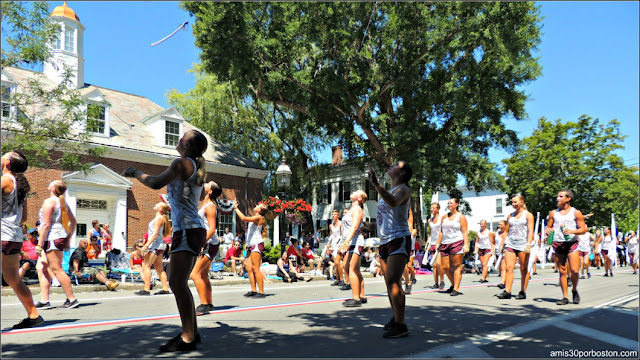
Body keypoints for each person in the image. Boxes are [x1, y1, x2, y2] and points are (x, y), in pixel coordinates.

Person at [123, 129, 209, 351]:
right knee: (177, 281)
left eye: (183, 137)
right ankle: (192, 333)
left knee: (177, 282)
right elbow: (188, 197)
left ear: (188, 145)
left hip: (189, 229)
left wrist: (134, 171)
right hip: (189, 229)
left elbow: (154, 182)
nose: (179, 139)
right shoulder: (193, 167)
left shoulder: (181, 164)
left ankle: (188, 337)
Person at [369, 161, 413, 338]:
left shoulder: (403, 189)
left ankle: (401, 325)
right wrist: (368, 226)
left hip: (399, 238)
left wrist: (376, 184)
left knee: (394, 281)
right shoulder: (388, 191)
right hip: (385, 240)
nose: (391, 165)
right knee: (389, 282)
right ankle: (396, 318)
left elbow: (393, 203)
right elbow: (385, 217)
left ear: (402, 173)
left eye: (396, 165)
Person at [2, 151, 44, 329]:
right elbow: (24, 217)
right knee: (13, 279)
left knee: (12, 278)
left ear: (8, 162)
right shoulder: (20, 186)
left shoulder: (4, 180)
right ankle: (34, 315)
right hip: (14, 235)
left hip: (2, 234)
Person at [36, 179, 80, 310]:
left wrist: (39, 244)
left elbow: (46, 224)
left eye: (52, 183)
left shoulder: (49, 202)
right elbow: (74, 222)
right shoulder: (62, 203)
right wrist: (68, 238)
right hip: (58, 237)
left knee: (56, 268)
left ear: (53, 189)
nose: (49, 183)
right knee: (41, 267)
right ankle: (44, 300)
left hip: (51, 238)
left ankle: (72, 299)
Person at [545, 189, 587, 305]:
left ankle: (574, 289)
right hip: (558, 243)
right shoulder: (553, 213)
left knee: (574, 270)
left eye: (560, 196)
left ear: (568, 199)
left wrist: (572, 231)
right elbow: (548, 227)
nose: (557, 199)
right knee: (562, 271)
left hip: (571, 243)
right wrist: (548, 231)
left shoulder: (575, 212)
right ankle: (565, 297)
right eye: (558, 196)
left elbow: (584, 229)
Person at [190, 181, 223, 314]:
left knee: (194, 274)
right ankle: (209, 303)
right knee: (203, 275)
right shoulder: (205, 204)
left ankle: (203, 304)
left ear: (210, 191)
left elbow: (212, 228)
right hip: (207, 243)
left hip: (209, 244)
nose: (206, 183)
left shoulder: (210, 207)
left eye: (209, 183)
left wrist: (201, 243)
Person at [497, 195, 534, 300]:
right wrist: (503, 243)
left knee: (523, 269)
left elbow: (531, 230)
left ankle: (522, 291)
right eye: (512, 202)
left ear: (522, 202)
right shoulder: (510, 216)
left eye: (515, 202)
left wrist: (528, 243)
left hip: (523, 244)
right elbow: (507, 231)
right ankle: (507, 291)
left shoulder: (528, 215)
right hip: (511, 244)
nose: (513, 204)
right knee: (509, 268)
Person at [135, 202, 171, 296]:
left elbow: (155, 234)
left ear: (160, 209)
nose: (155, 204)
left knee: (145, 266)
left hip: (154, 246)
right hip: (159, 246)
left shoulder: (159, 218)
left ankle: (146, 289)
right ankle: (165, 289)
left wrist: (146, 245)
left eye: (158, 204)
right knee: (159, 268)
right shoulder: (161, 218)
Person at [436, 197, 470, 297]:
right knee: (445, 267)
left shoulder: (461, 217)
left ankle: (455, 288)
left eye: (451, 203)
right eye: (448, 203)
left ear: (456, 204)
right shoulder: (444, 217)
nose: (449, 205)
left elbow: (464, 231)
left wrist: (466, 244)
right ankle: (453, 283)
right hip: (445, 243)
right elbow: (441, 231)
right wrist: (438, 242)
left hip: (457, 242)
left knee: (456, 266)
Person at [234, 202, 268, 298]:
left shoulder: (259, 218)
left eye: (258, 206)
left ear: (259, 210)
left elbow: (244, 218)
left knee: (256, 268)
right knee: (248, 268)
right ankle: (253, 290)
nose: (256, 206)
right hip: (250, 244)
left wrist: (236, 208)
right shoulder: (256, 217)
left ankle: (261, 292)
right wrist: (247, 243)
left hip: (257, 244)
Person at [340, 190, 367, 307]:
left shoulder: (357, 210)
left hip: (356, 241)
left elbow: (355, 226)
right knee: (351, 269)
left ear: (359, 198)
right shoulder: (352, 209)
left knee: (351, 269)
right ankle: (362, 295)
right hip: (352, 241)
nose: (353, 192)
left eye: (357, 192)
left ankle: (356, 298)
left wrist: (346, 242)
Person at [426, 203, 445, 289]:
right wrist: (428, 241)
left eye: (433, 208)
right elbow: (430, 232)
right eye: (431, 208)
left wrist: (439, 242)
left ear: (438, 209)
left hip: (440, 243)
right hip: (432, 243)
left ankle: (442, 281)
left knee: (438, 263)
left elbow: (442, 231)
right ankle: (436, 283)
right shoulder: (430, 220)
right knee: (434, 265)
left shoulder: (442, 218)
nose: (431, 209)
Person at [327, 210, 345, 286]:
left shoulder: (341, 224)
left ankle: (341, 279)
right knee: (335, 263)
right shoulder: (331, 225)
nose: (333, 216)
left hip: (339, 244)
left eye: (334, 214)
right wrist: (329, 244)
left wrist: (342, 245)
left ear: (338, 215)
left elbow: (342, 234)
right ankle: (337, 279)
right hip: (333, 245)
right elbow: (331, 235)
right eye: (332, 214)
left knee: (338, 262)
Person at [495, 220, 508, 289]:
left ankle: (502, 282)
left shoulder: (507, 233)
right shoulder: (496, 233)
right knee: (500, 268)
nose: (499, 226)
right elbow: (493, 242)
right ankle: (505, 280)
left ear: (505, 225)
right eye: (499, 224)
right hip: (497, 252)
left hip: (505, 251)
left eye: (501, 224)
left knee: (503, 267)